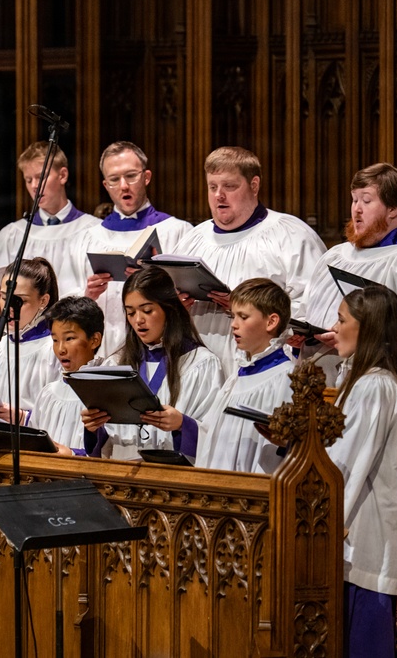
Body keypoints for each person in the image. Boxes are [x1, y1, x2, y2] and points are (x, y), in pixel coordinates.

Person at [171, 146, 326, 376]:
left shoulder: (291, 235)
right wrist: (175, 306)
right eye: (212, 187)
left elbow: (313, 311)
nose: (218, 195)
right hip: (196, 372)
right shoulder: (192, 240)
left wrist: (244, 308)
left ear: (254, 185)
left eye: (229, 186)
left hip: (264, 373)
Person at [327, 284, 397, 657]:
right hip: (353, 544)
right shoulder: (362, 381)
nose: (333, 326)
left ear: (366, 329)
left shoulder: (375, 386)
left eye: (342, 320)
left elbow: (347, 466)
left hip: (362, 546)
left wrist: (322, 526)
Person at [302, 163, 397, 382]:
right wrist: (302, 335)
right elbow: (307, 309)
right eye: (354, 199)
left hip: (374, 383)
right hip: (317, 380)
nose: (356, 209)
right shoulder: (334, 256)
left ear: (393, 209)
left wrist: (353, 337)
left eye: (367, 200)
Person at [80, 265, 223, 460]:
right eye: (130, 313)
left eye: (147, 310)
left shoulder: (201, 364)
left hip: (170, 480)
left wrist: (182, 424)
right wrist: (93, 428)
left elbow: (216, 435)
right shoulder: (115, 365)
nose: (138, 320)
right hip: (121, 476)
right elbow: (106, 446)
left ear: (169, 309)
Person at [76, 142, 192, 355]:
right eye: (114, 179)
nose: (123, 186)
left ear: (146, 177)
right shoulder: (89, 238)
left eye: (131, 176)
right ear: (105, 185)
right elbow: (70, 298)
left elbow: (189, 295)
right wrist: (88, 295)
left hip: (164, 347)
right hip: (108, 346)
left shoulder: (177, 231)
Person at [195, 278, 295, 473]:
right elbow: (210, 437)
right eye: (233, 316)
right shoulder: (237, 376)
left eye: (243, 316)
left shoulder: (287, 377)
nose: (234, 325)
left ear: (271, 321)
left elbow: (287, 449)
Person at [0, 142, 99, 300]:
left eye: (41, 177)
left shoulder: (93, 230)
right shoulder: (12, 235)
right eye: (28, 179)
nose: (34, 186)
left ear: (63, 175)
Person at [0, 258, 62, 418]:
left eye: (20, 301)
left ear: (43, 301)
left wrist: (24, 418)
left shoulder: (54, 351)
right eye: (4, 298)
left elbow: (60, 416)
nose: (9, 308)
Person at [30, 296, 105, 451]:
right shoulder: (48, 393)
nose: (61, 349)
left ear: (95, 340)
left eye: (69, 338)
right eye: (55, 340)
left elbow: (112, 450)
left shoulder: (106, 392)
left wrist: (72, 456)